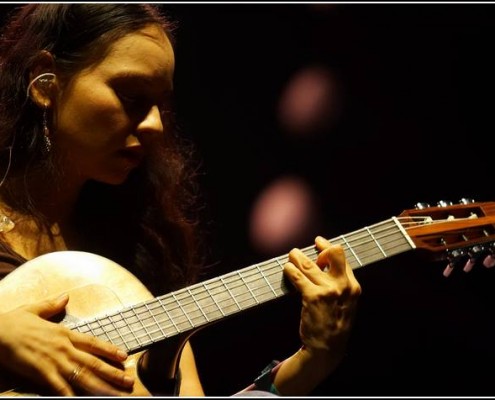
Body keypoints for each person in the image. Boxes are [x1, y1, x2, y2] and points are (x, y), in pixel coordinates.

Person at [0, 4, 362, 397]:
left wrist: (313, 360)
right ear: (44, 82)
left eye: (160, 104)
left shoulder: (138, 261)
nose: (155, 124)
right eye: (131, 95)